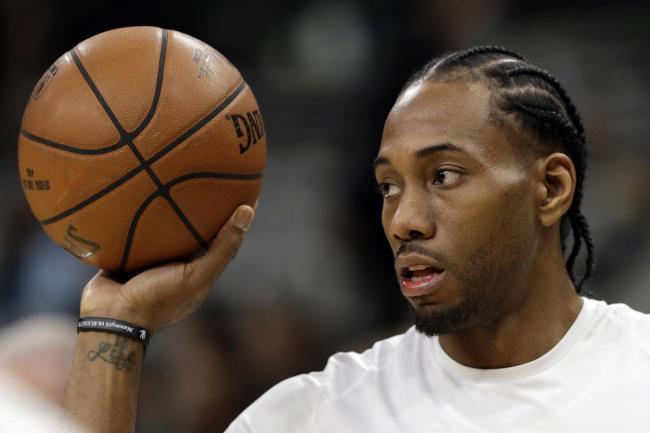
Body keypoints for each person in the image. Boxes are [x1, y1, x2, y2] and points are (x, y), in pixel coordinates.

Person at [62, 46, 650, 433]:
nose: (404, 221)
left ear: (550, 188)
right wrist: (116, 324)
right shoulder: (322, 414)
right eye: (389, 187)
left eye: (444, 176)